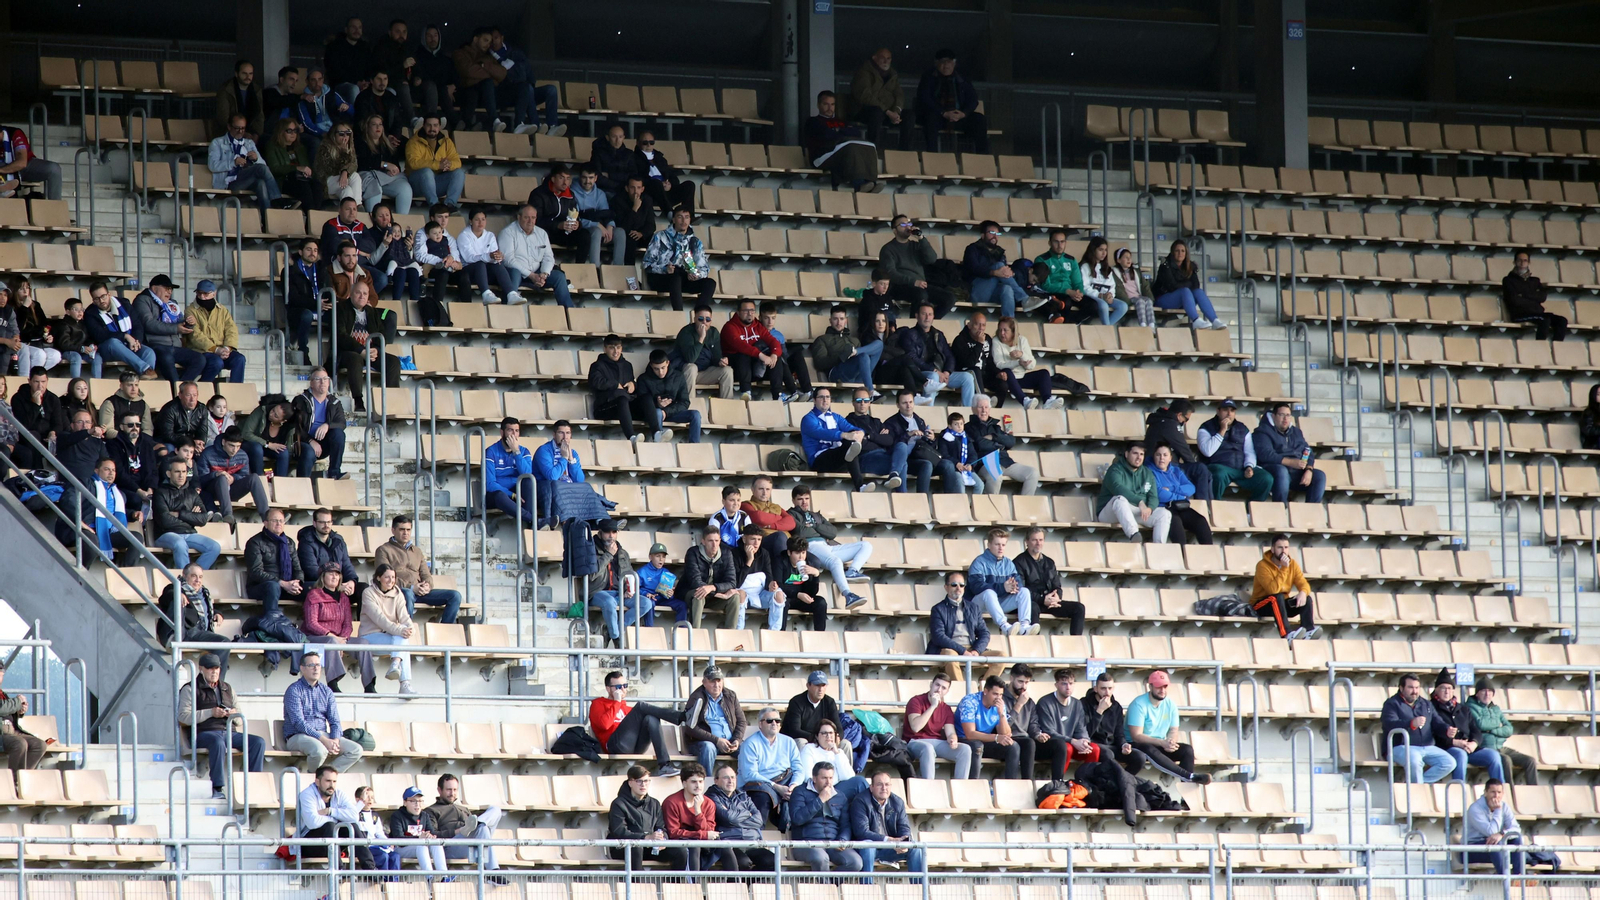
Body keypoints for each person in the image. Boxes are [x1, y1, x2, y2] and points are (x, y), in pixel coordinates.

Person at [178, 652, 265, 799]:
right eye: (210, 668)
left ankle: (253, 787)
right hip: (204, 732)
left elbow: (240, 719)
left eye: (217, 668)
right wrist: (211, 713)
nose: (214, 672)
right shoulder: (190, 688)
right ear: (201, 669)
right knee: (217, 742)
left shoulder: (227, 688)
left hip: (229, 732)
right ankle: (217, 788)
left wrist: (233, 715)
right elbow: (183, 717)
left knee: (258, 742)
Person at [591, 669, 686, 776]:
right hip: (614, 745)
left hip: (634, 746)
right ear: (608, 689)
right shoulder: (598, 703)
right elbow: (604, 725)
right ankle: (682, 716)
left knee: (651, 718)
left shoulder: (627, 709)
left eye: (625, 686)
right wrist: (617, 702)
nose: (622, 690)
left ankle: (664, 765)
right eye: (618, 687)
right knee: (641, 706)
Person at [787, 485, 870, 605]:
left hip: (826, 546)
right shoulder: (791, 514)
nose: (804, 502)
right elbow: (801, 532)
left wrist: (814, 526)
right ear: (794, 500)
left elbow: (832, 532)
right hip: (810, 546)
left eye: (806, 498)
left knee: (865, 545)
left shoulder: (816, 515)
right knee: (835, 561)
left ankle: (853, 570)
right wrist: (819, 529)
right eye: (800, 499)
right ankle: (848, 595)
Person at [1125, 670, 1210, 783]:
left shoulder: (1171, 704)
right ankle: (1189, 777)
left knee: (1187, 750)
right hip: (1135, 745)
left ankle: (1186, 799)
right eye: (1158, 687)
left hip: (1159, 744)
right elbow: (1136, 736)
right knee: (1148, 748)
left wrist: (1171, 742)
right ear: (1150, 686)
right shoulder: (1138, 704)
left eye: (1165, 687)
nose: (1162, 690)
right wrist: (1161, 742)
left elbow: (1173, 729)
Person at [375, 514, 462, 622]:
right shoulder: (383, 550)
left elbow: (426, 574)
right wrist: (411, 587)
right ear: (393, 530)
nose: (405, 533)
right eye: (402, 529)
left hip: (420, 592)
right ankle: (407, 631)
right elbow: (384, 577)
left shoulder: (417, 551)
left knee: (455, 596)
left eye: (408, 530)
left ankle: (445, 631)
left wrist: (427, 586)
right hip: (399, 591)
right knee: (407, 593)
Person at [283, 654, 364, 771]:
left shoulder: (326, 691)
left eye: (318, 665)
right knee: (319, 751)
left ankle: (326, 776)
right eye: (311, 665)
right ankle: (315, 781)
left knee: (356, 750)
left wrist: (335, 740)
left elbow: (335, 720)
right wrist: (324, 740)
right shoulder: (294, 690)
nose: (316, 668)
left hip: (323, 735)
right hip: (298, 736)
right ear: (302, 668)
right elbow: (298, 723)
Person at [1465, 779, 1558, 878]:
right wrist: (1497, 810)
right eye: (1493, 792)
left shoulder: (1504, 806)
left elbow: (1516, 829)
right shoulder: (1475, 809)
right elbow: (1490, 832)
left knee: (1517, 840)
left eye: (1499, 792)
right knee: (1497, 845)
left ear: (1503, 793)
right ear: (1485, 793)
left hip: (1494, 847)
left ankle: (1519, 877)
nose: (1496, 796)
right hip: (1471, 849)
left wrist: (1502, 834)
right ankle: (1506, 880)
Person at [134, 274, 213, 385]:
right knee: (166, 357)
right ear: (154, 288)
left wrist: (189, 324)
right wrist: (176, 329)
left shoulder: (172, 303)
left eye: (171, 289)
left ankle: (181, 387)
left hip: (175, 346)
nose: (169, 292)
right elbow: (149, 324)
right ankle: (177, 389)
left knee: (199, 359)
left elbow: (180, 322)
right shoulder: (142, 300)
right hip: (155, 345)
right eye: (166, 289)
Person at [334, 280, 400, 412]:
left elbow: (381, 333)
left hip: (370, 352)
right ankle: (358, 401)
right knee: (355, 358)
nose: (361, 296)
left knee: (393, 362)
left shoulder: (371, 312)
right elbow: (340, 336)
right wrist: (361, 350)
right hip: (347, 352)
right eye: (358, 293)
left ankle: (390, 403)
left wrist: (377, 349)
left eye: (365, 293)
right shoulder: (340, 308)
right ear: (351, 294)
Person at [929, 570, 1003, 686]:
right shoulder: (938, 609)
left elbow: (984, 633)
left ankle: (984, 691)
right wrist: (962, 651)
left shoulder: (973, 608)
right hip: (950, 649)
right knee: (950, 655)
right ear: (946, 587)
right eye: (954, 585)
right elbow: (938, 636)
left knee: (1001, 656)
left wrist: (976, 650)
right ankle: (963, 692)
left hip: (972, 648)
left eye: (961, 585)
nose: (958, 588)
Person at [1430, 669, 1504, 783]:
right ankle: (1459, 790)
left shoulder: (1463, 709)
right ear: (1436, 690)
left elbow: (1475, 730)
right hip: (1446, 749)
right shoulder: (1430, 707)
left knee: (1493, 756)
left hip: (1469, 748)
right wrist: (1454, 742)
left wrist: (1474, 743)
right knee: (1460, 754)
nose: (1446, 691)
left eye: (1449, 688)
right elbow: (1432, 733)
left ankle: (1498, 790)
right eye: (1443, 688)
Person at [353, 564, 416, 696]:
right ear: (378, 578)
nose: (391, 580)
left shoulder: (398, 593)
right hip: (369, 637)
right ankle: (404, 683)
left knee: (403, 636)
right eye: (387, 577)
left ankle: (396, 665)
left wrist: (410, 629)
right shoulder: (368, 593)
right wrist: (400, 630)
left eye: (393, 577)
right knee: (401, 636)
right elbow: (380, 619)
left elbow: (405, 617)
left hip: (391, 637)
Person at [422, 773, 505, 874]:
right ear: (439, 790)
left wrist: (473, 827)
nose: (452, 793)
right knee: (482, 829)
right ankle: (493, 872)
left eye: (455, 790)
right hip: (451, 847)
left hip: (472, 845)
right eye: (448, 790)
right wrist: (458, 831)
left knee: (494, 811)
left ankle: (477, 824)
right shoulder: (431, 810)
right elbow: (433, 835)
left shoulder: (464, 809)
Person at [152, 454, 223, 569]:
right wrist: (191, 517)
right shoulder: (160, 493)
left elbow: (203, 519)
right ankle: (186, 582)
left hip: (189, 533)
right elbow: (165, 521)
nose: (181, 475)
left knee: (214, 547)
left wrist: (179, 514)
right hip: (166, 534)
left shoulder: (192, 493)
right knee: (180, 543)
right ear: (168, 474)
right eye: (177, 472)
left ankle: (193, 576)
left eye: (184, 472)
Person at [788, 762, 862, 873]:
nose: (828, 782)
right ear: (814, 778)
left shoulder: (840, 796)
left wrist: (842, 840)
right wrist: (820, 800)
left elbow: (846, 825)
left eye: (831, 778)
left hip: (833, 843)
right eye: (824, 778)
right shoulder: (800, 792)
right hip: (806, 843)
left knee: (855, 862)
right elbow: (797, 818)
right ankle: (826, 888)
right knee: (821, 858)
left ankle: (831, 885)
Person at [1381, 673, 1455, 783]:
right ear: (1401, 688)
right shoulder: (1391, 704)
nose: (1414, 691)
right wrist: (1410, 724)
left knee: (1449, 762)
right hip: (1400, 747)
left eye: (1417, 687)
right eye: (1410, 687)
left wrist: (1446, 730)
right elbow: (1389, 724)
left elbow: (1437, 722)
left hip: (1427, 746)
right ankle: (1417, 791)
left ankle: (1419, 785)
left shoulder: (1426, 704)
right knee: (1415, 760)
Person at [498, 204, 575, 308]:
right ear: (519, 217)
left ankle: (569, 311)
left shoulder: (541, 233)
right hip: (516, 273)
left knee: (559, 277)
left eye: (533, 217)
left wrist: (544, 274)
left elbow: (548, 257)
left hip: (537, 273)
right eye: (526, 217)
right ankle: (507, 311)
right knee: (514, 273)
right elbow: (508, 260)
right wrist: (531, 275)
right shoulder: (507, 232)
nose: (530, 221)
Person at [738, 706, 802, 829]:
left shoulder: (789, 742)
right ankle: (756, 836)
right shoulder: (750, 744)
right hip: (758, 785)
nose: (774, 723)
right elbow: (749, 775)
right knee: (763, 796)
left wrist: (793, 786)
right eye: (769, 721)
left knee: (803, 793)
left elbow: (798, 768)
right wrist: (776, 787)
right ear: (760, 724)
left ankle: (795, 837)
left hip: (785, 783)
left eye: (777, 721)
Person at [591, 519, 653, 646]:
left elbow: (629, 574)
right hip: (598, 592)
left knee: (646, 603)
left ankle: (614, 629)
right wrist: (608, 554)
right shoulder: (591, 550)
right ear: (600, 533)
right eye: (607, 532)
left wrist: (628, 590)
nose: (611, 536)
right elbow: (592, 575)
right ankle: (617, 638)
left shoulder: (623, 553)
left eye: (614, 532)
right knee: (609, 602)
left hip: (619, 593)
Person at [1093, 441, 1172, 542]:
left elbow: (1153, 496)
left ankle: (1158, 548)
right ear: (1126, 454)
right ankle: (1134, 535)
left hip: (1135, 511)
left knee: (1164, 513)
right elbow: (1119, 489)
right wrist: (1140, 502)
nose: (1139, 457)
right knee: (1120, 499)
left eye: (1141, 454)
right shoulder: (1115, 470)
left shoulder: (1147, 473)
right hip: (1110, 512)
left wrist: (1150, 508)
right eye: (1135, 453)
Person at [803, 91, 881, 192]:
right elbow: (826, 134)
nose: (829, 108)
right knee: (851, 146)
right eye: (826, 104)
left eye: (832, 104)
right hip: (822, 156)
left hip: (839, 152)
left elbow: (856, 133)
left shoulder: (841, 121)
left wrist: (837, 130)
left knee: (869, 145)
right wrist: (843, 131)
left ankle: (871, 183)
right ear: (818, 105)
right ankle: (859, 184)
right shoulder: (813, 121)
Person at [901, 672, 973, 781]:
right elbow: (915, 727)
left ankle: (960, 788)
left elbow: (950, 732)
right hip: (913, 741)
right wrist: (933, 706)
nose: (939, 690)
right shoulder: (916, 701)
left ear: (947, 691)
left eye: (943, 688)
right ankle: (929, 786)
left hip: (936, 742)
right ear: (931, 684)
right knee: (928, 748)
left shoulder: (946, 709)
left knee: (965, 749)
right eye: (937, 685)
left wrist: (952, 739)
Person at [606, 765, 682, 869]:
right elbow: (619, 831)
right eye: (639, 781)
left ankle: (676, 884)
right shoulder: (618, 804)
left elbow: (661, 827)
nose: (643, 785)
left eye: (646, 781)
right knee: (636, 847)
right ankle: (637, 884)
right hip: (624, 847)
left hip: (649, 846)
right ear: (630, 782)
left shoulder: (654, 803)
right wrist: (644, 837)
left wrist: (662, 838)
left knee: (680, 851)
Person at [880, 216, 955, 319]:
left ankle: (928, 324)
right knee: (920, 294)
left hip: (920, 285)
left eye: (909, 224)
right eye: (903, 224)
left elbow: (932, 259)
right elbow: (891, 273)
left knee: (949, 298)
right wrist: (913, 281)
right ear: (894, 230)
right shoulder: (888, 249)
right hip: (899, 286)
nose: (907, 226)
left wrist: (921, 239)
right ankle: (914, 329)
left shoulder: (915, 246)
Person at [644, 206, 716, 313]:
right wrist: (664, 269)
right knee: (675, 277)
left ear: (690, 219)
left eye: (686, 217)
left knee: (710, 283)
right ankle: (679, 315)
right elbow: (647, 264)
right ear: (673, 219)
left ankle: (700, 316)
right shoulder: (660, 236)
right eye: (680, 217)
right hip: (661, 277)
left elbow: (704, 268)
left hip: (684, 277)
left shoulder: (695, 241)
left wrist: (696, 275)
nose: (683, 221)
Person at [886, 389, 959, 493]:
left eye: (910, 402)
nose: (908, 406)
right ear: (897, 405)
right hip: (906, 460)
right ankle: (922, 497)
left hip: (922, 455)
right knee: (927, 465)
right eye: (904, 403)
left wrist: (932, 439)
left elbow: (929, 446)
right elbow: (891, 445)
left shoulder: (919, 420)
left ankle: (949, 499)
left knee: (948, 465)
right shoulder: (891, 423)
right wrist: (908, 434)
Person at [208, 114, 285, 213]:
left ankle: (267, 218)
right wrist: (233, 162)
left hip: (247, 179)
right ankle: (277, 200)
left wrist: (256, 159)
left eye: (243, 128)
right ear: (229, 127)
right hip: (228, 182)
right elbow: (213, 165)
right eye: (237, 128)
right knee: (260, 169)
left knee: (260, 183)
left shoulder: (249, 143)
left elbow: (263, 165)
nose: (240, 131)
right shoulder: (217, 142)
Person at [900, 302, 974, 405]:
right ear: (916, 316)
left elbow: (949, 356)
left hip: (941, 373)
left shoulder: (938, 334)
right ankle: (928, 412)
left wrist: (947, 372)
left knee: (967, 377)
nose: (927, 317)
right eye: (924, 314)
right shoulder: (909, 334)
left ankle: (969, 413)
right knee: (934, 377)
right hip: (921, 373)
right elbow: (912, 358)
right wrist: (935, 371)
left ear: (933, 316)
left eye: (930, 314)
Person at [529, 165, 604, 266]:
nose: (565, 182)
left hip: (562, 233)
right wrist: (557, 225)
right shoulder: (539, 194)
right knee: (541, 234)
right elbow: (535, 221)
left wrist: (577, 224)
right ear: (553, 178)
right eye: (561, 178)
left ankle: (579, 268)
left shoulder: (570, 195)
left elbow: (575, 216)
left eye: (568, 179)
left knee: (585, 235)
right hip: (545, 231)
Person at [1198, 400, 1272, 501]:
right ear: (1218, 411)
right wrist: (1222, 431)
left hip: (1240, 469)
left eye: (1232, 411)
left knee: (1266, 478)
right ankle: (1213, 507)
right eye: (1225, 410)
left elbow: (1249, 451)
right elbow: (1207, 451)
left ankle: (1250, 512)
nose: (1229, 414)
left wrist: (1249, 466)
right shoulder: (1205, 428)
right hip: (1219, 467)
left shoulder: (1242, 428)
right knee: (1219, 474)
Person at [1468, 678, 1538, 786]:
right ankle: (1509, 793)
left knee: (1530, 761)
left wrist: (1491, 729)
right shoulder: (1471, 707)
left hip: (1501, 747)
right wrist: (1498, 723)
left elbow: (1509, 729)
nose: (1487, 694)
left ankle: (1534, 791)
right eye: (1483, 691)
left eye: (1490, 691)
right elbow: (1481, 724)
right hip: (1486, 748)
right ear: (1477, 693)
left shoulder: (1496, 708)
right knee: (1506, 760)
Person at [1035, 668, 1101, 781]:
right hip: (1052, 745)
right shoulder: (1045, 703)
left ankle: (1087, 783)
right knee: (1066, 748)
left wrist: (1084, 740)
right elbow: (1049, 731)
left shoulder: (1077, 703)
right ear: (1056, 685)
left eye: (1071, 683)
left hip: (1071, 743)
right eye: (1064, 683)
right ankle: (1058, 782)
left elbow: (1081, 727)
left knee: (1094, 749)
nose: (1068, 687)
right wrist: (1073, 741)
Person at [967, 529, 1035, 637]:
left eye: (1003, 545)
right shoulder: (979, 562)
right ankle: (1005, 626)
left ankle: (1024, 626)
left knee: (1024, 591)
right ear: (989, 544)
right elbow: (977, 587)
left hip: (998, 603)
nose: (1000, 548)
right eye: (997, 544)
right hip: (977, 604)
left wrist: (1014, 587)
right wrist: (1003, 587)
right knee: (989, 593)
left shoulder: (1008, 563)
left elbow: (1018, 583)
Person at [1251, 533, 1320, 642]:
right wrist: (1283, 568)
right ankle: (1286, 634)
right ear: (1273, 549)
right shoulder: (1262, 565)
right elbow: (1272, 590)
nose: (1283, 551)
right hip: (1261, 605)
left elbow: (1303, 583)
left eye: (1286, 547)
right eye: (1280, 547)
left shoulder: (1292, 564)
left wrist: (1303, 592)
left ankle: (1308, 631)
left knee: (1307, 598)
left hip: (1281, 605)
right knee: (1276, 597)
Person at [1014, 526, 1083, 633]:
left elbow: (1057, 586)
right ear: (1027, 541)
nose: (1038, 543)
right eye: (1034, 540)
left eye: (1041, 540)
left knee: (1079, 608)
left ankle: (1078, 644)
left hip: (1050, 603)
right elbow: (1021, 590)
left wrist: (1056, 597)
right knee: (1033, 608)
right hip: (1033, 602)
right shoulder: (1019, 562)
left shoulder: (1049, 562)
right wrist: (1042, 599)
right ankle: (1036, 644)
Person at [1143, 399, 1214, 501]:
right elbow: (1184, 450)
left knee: (1205, 472)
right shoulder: (1170, 425)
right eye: (1186, 419)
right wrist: (1193, 466)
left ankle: (1209, 505)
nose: (1185, 423)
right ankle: (1204, 505)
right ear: (1179, 415)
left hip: (1162, 464)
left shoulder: (1160, 420)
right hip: (1164, 466)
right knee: (1201, 469)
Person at [296, 765, 367, 867]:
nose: (331, 785)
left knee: (352, 826)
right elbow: (312, 822)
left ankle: (370, 869)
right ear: (317, 782)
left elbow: (354, 816)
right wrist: (338, 818)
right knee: (330, 826)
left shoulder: (339, 794)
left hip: (333, 843)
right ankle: (339, 872)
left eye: (334, 781)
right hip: (310, 844)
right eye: (328, 781)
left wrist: (330, 811)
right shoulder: (307, 794)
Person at [967, 396, 1040, 495]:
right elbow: (980, 444)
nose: (984, 410)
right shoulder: (968, 427)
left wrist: (993, 436)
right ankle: (988, 507)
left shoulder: (995, 427)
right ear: (973, 409)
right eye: (980, 407)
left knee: (1033, 473)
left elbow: (1011, 441)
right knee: (996, 476)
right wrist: (1000, 445)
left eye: (986, 407)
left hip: (1005, 461)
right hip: (985, 463)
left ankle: (1023, 507)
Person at [1254, 403, 1325, 503]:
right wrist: (1291, 462)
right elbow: (1265, 454)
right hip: (1273, 470)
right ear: (1273, 416)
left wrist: (1309, 469)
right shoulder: (1262, 431)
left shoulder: (1296, 432)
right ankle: (1281, 509)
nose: (1285, 419)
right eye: (1281, 415)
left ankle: (1311, 513)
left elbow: (1308, 451)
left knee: (1319, 476)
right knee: (1281, 471)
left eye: (1288, 415)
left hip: (1295, 472)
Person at [195, 426, 270, 521]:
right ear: (223, 442)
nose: (235, 450)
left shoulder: (242, 455)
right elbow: (200, 480)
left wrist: (233, 478)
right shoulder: (208, 454)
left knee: (254, 477)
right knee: (222, 478)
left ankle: (267, 517)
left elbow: (244, 475)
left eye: (238, 446)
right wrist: (216, 474)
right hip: (212, 491)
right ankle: (228, 516)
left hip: (232, 490)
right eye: (232, 446)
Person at [708, 763, 774, 872]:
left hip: (751, 842)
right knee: (743, 863)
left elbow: (758, 820)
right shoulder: (711, 796)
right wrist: (747, 813)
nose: (730, 781)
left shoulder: (743, 796)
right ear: (716, 780)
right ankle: (739, 887)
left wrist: (734, 818)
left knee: (772, 861)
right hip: (729, 844)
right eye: (726, 777)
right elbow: (728, 818)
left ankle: (747, 886)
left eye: (733, 777)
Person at [801, 389, 869, 491]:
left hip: (838, 458)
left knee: (851, 442)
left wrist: (860, 433)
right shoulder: (808, 419)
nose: (825, 400)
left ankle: (860, 485)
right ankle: (860, 486)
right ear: (814, 400)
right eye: (821, 397)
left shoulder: (836, 417)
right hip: (819, 460)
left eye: (827, 397)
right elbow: (821, 433)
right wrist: (843, 435)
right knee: (849, 444)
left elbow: (851, 428)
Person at [683, 665, 746, 777]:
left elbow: (741, 721)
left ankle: (747, 785)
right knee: (709, 747)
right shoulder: (696, 697)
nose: (716, 685)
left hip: (729, 742)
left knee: (748, 749)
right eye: (712, 681)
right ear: (704, 682)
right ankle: (705, 784)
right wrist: (716, 740)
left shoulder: (730, 696)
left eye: (719, 680)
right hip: (702, 742)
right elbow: (690, 727)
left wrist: (737, 740)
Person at [83, 282, 157, 376]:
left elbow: (137, 324)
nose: (101, 301)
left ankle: (146, 383)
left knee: (149, 352)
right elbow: (100, 335)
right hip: (106, 348)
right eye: (97, 299)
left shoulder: (124, 304)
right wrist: (125, 336)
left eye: (103, 296)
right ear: (93, 300)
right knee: (113, 342)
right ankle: (145, 369)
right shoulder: (90, 313)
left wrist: (136, 340)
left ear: (109, 294)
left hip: (128, 344)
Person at [301, 564, 354, 691]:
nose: (334, 576)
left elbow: (348, 624)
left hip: (339, 638)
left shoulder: (343, 597)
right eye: (331, 573)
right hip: (316, 637)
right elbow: (311, 623)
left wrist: (344, 639)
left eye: (337, 574)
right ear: (323, 576)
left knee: (364, 643)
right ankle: (333, 683)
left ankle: (369, 685)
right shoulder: (314, 594)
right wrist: (334, 638)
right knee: (331, 642)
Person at [244, 508, 307, 615]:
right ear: (265, 523)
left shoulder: (289, 542)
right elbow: (256, 572)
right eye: (274, 520)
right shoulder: (255, 542)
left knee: (314, 587)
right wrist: (282, 583)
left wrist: (297, 582)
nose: (279, 523)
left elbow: (298, 569)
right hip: (262, 587)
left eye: (281, 521)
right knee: (273, 586)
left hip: (287, 587)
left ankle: (313, 624)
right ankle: (272, 621)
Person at [1153, 239, 1226, 330]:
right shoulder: (1165, 265)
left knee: (1198, 292)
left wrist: (1186, 285)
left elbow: (1196, 286)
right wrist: (1188, 284)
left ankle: (1215, 321)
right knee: (1185, 291)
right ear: (1172, 252)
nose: (1180, 253)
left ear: (1186, 253)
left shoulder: (1190, 266)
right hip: (1163, 299)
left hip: (1184, 299)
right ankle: (1195, 320)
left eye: (1183, 251)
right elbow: (1172, 286)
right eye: (1177, 251)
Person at [1150, 442, 1212, 546]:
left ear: (1170, 458)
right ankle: (1182, 558)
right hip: (1164, 507)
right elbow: (1159, 493)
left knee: (1201, 522)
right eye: (1158, 455)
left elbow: (1191, 488)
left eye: (1165, 455)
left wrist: (1171, 489)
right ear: (1154, 457)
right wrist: (1180, 496)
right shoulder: (1150, 471)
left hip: (1181, 506)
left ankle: (1210, 557)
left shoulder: (1176, 471)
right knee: (1177, 526)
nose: (1161, 458)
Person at [850, 48, 913, 151]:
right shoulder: (864, 72)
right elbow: (865, 96)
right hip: (865, 112)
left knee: (909, 115)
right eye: (882, 58)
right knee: (876, 113)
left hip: (888, 113)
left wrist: (896, 111)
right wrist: (887, 111)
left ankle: (904, 152)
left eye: (888, 58)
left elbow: (899, 94)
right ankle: (873, 151)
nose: (886, 61)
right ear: (874, 58)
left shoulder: (893, 75)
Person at [185, 280, 247, 384]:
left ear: (214, 293)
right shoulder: (190, 310)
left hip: (222, 350)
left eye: (205, 294)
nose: (201, 296)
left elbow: (231, 330)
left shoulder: (222, 310)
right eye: (199, 293)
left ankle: (236, 390)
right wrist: (215, 349)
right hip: (201, 351)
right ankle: (204, 386)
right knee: (216, 362)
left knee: (239, 359)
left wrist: (227, 348)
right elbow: (195, 336)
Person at [661, 763, 720, 871]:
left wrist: (698, 812)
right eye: (693, 782)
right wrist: (701, 834)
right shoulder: (671, 802)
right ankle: (693, 885)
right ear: (684, 783)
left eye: (701, 781)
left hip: (703, 844)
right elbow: (673, 833)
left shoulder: (709, 803)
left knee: (726, 848)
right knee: (694, 846)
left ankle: (735, 884)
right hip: (680, 845)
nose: (698, 786)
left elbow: (709, 831)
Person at [680, 526, 742, 629]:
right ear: (703, 541)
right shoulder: (693, 553)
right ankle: (695, 635)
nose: (714, 545)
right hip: (690, 593)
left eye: (717, 541)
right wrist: (718, 593)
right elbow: (695, 582)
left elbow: (731, 582)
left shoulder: (726, 553)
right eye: (710, 541)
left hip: (714, 595)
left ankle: (730, 635)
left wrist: (713, 588)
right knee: (699, 594)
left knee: (735, 597)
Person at [991, 315, 1058, 409]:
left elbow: (1032, 365)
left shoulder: (1022, 340)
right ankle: (1024, 401)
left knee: (1044, 373)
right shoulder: (996, 341)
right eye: (1000, 330)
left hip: (1021, 378)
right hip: (1006, 379)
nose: (1002, 333)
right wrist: (1018, 363)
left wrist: (1022, 355)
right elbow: (999, 365)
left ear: (1013, 331)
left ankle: (1048, 401)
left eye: (1005, 330)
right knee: (1007, 371)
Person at [290, 369, 347, 480]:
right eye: (318, 379)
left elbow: (341, 423)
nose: (322, 382)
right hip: (304, 442)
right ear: (311, 383)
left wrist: (327, 425)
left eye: (325, 379)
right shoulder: (301, 400)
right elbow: (294, 426)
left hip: (324, 443)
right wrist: (310, 441)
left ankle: (334, 473)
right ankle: (303, 485)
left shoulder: (334, 402)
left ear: (329, 382)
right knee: (308, 453)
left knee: (339, 434)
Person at [958, 675, 1018, 779]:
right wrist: (995, 737)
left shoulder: (1000, 705)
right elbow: (970, 734)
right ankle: (974, 785)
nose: (998, 698)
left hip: (985, 740)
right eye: (995, 694)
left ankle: (1010, 785)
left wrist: (1001, 714)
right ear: (985, 691)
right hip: (963, 739)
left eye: (1001, 695)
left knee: (1013, 746)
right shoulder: (970, 701)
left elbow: (1006, 734)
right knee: (977, 746)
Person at [963, 221, 1026, 318]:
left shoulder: (1000, 253)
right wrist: (994, 272)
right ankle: (1024, 299)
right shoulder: (972, 249)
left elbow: (1004, 274)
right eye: (991, 233)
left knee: (1007, 289)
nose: (995, 236)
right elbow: (973, 269)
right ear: (983, 235)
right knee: (999, 266)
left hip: (993, 293)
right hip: (976, 292)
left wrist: (1011, 273)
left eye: (997, 234)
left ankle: (1008, 323)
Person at [671, 303, 735, 399]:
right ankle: (690, 406)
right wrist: (701, 338)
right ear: (694, 319)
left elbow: (716, 356)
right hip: (685, 373)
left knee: (727, 371)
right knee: (691, 367)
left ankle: (726, 407)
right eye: (701, 319)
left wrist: (721, 361)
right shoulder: (686, 332)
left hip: (704, 373)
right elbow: (690, 358)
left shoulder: (714, 332)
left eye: (707, 319)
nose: (704, 322)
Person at [1082, 671, 1142, 772]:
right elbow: (1086, 733)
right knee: (1108, 754)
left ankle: (1124, 781)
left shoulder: (1116, 706)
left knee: (1139, 757)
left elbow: (1119, 734)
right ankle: (1119, 780)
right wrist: (1099, 711)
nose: (1107, 692)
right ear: (1096, 689)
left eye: (1110, 688)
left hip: (1111, 745)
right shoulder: (1084, 704)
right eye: (1103, 688)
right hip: (1093, 745)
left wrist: (1124, 745)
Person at [844, 389, 904, 489]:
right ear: (853, 403)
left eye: (866, 400)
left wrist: (870, 436)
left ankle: (896, 480)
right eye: (859, 400)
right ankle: (902, 493)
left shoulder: (876, 421)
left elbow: (889, 440)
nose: (862, 403)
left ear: (870, 402)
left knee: (901, 447)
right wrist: (880, 439)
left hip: (882, 455)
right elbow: (861, 445)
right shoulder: (848, 422)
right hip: (865, 459)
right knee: (901, 463)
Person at [1502, 250, 1568, 341]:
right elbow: (1514, 300)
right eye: (1519, 260)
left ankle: (1556, 346)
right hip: (1520, 314)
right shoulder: (1508, 280)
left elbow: (1542, 297)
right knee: (1544, 320)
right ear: (1514, 262)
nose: (1522, 263)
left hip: (1537, 312)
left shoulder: (1535, 280)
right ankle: (1540, 346)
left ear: (1528, 262)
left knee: (1562, 320)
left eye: (1525, 260)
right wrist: (1533, 298)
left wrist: (1523, 294)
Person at [639, 349, 702, 443]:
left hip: (672, 412)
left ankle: (694, 447)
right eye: (656, 369)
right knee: (658, 413)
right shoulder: (643, 379)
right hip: (653, 414)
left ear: (668, 363)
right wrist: (657, 405)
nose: (660, 372)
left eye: (663, 367)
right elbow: (641, 404)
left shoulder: (678, 376)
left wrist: (666, 412)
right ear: (651, 365)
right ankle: (658, 441)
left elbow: (685, 402)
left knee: (695, 414)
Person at [354, 114, 411, 215]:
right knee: (375, 186)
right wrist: (384, 165)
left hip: (386, 178)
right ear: (367, 127)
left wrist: (393, 170)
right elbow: (362, 163)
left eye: (380, 124)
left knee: (405, 187)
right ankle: (373, 219)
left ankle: (401, 222)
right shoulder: (360, 143)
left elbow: (395, 165)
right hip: (368, 178)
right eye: (374, 124)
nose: (378, 127)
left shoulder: (387, 144)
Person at [404, 116, 465, 208]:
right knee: (427, 172)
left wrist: (449, 164)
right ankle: (434, 206)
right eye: (429, 125)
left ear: (440, 127)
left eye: (435, 125)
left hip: (436, 183)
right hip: (416, 184)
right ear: (423, 126)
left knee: (459, 173)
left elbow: (457, 161)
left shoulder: (446, 142)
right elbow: (414, 163)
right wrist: (438, 165)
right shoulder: (413, 142)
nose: (432, 128)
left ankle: (449, 205)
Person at [1028, 229, 1087, 323]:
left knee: (1094, 306)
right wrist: (1067, 291)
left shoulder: (1071, 260)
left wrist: (1079, 293)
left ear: (1066, 243)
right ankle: (1065, 325)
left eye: (1062, 242)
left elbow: (1078, 282)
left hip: (1072, 293)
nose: (1060, 245)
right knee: (1066, 303)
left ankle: (1073, 322)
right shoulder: (1042, 260)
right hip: (1055, 293)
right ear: (1049, 243)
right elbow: (1046, 285)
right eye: (1056, 242)